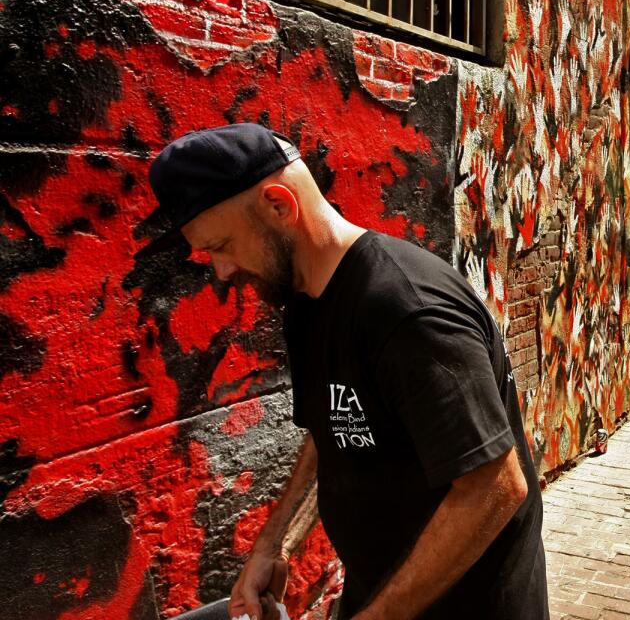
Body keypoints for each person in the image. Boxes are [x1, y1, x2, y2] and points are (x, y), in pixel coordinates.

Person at [137, 123, 548, 620]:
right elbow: (333, 427)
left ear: (278, 206)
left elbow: (495, 487)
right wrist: (275, 543)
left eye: (222, 246)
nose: (221, 272)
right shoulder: (306, 302)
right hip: (381, 596)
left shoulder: (406, 311)